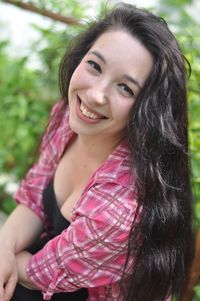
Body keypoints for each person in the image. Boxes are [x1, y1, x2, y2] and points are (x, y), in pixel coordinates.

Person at [0, 2, 194, 301]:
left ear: (146, 110)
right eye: (94, 65)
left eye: (125, 88)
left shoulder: (121, 205)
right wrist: (4, 243)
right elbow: (34, 196)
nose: (95, 95)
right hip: (38, 269)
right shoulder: (67, 118)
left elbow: (41, 272)